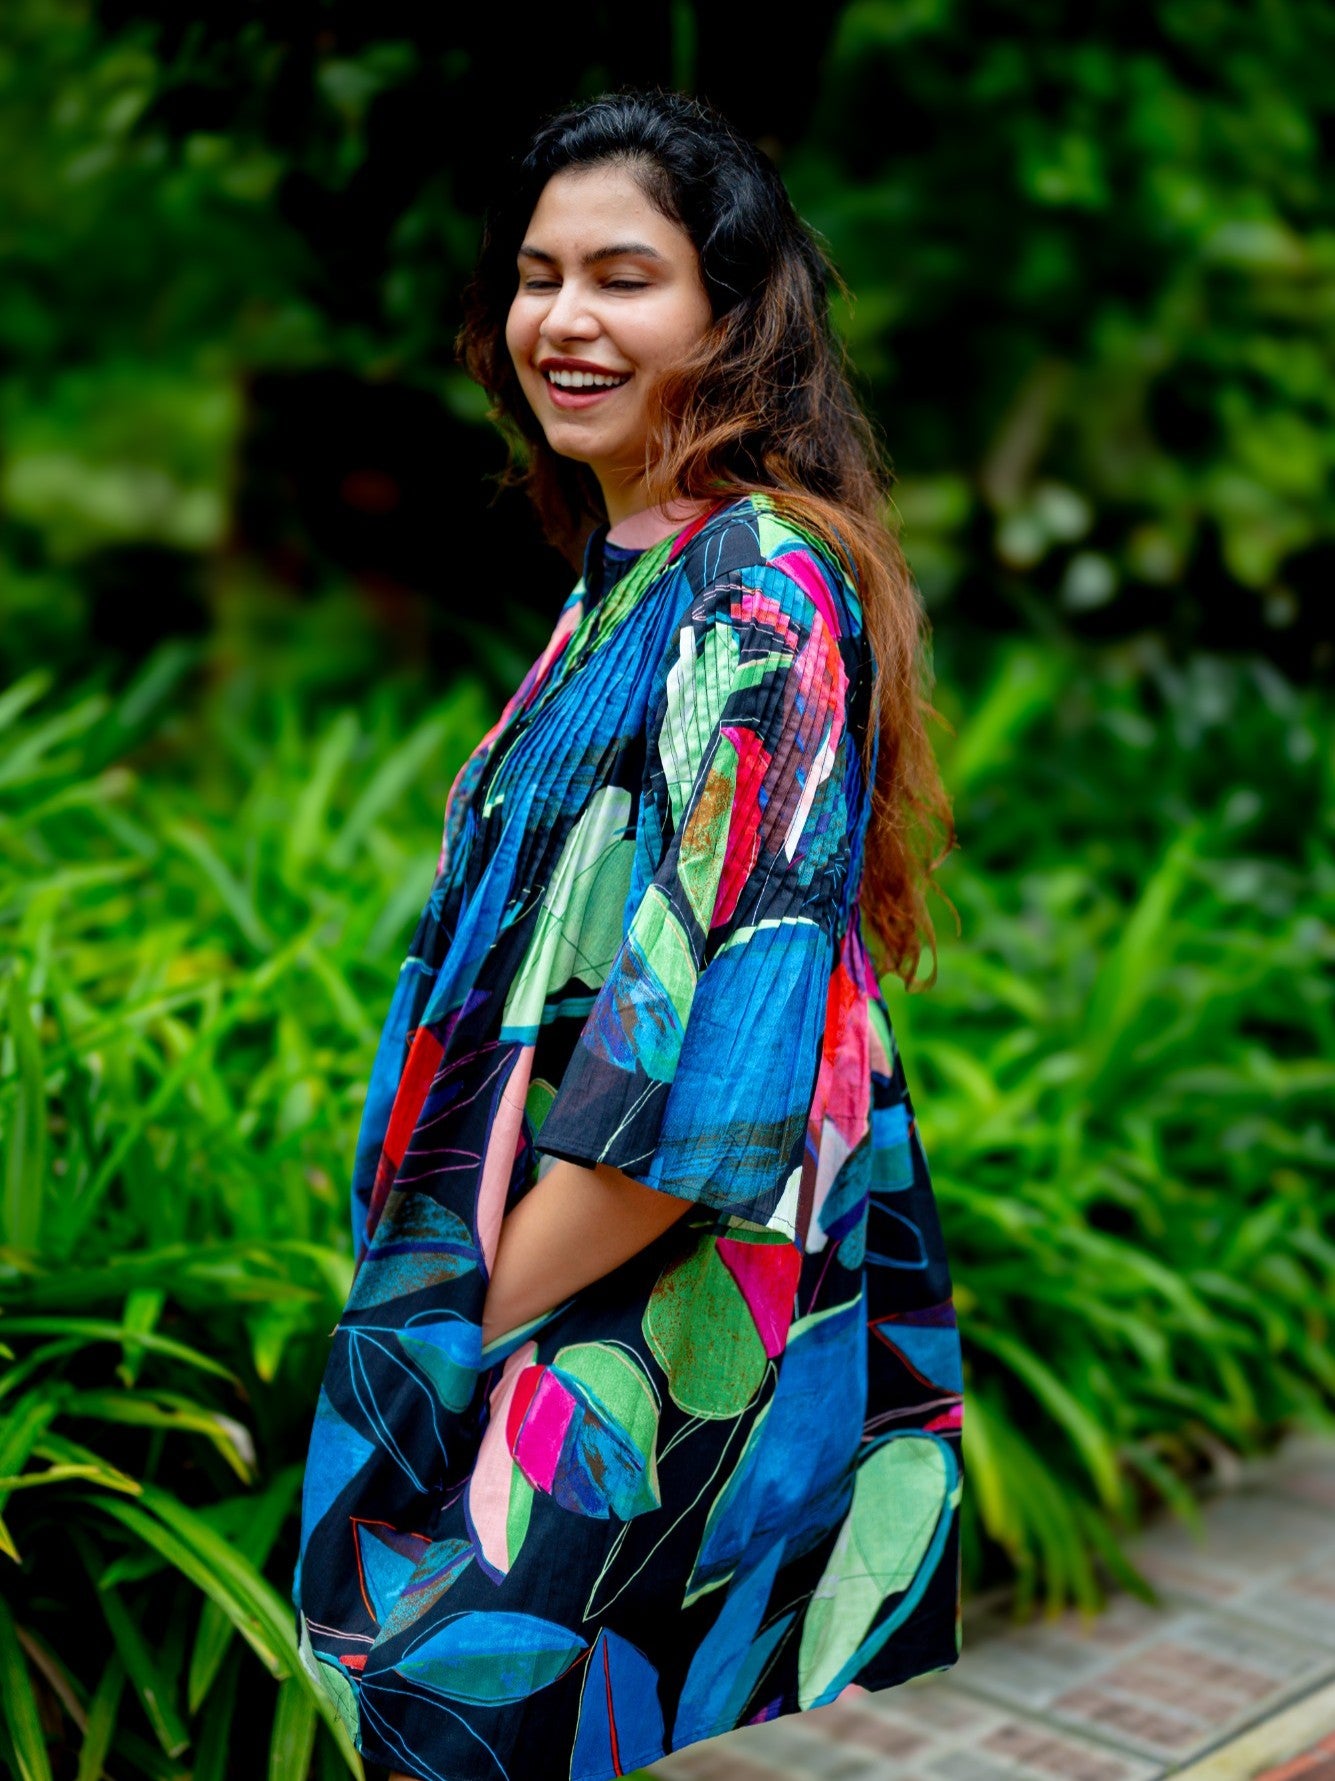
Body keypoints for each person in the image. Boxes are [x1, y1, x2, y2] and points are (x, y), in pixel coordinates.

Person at [293, 87, 965, 1781]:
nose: (564, 320)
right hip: (552, 1272)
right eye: (539, 276)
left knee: (446, 1709)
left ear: (731, 319)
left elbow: (706, 1099)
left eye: (623, 276)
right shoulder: (632, 576)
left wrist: (448, 1326)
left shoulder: (758, 595)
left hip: (626, 1301)